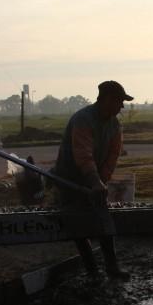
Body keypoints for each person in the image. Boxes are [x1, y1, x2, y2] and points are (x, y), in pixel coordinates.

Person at [54, 80, 133, 279]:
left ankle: (112, 267)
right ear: (106, 100)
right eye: (119, 101)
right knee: (77, 224)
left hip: (94, 177)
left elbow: (112, 156)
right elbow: (83, 155)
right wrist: (94, 181)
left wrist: (102, 182)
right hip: (69, 177)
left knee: (103, 220)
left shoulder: (115, 125)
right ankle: (92, 271)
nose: (122, 106)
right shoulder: (83, 120)